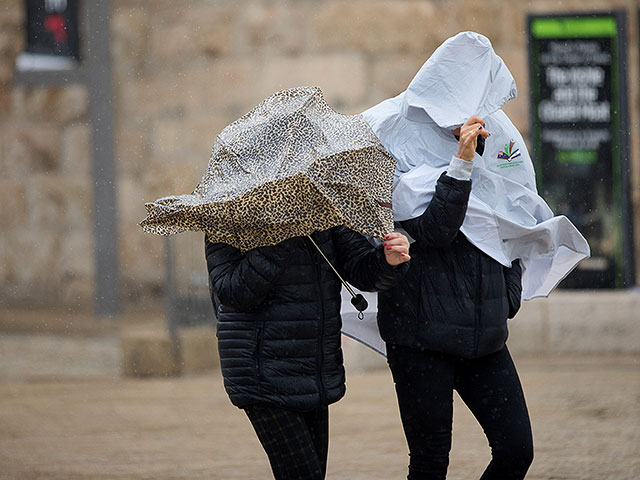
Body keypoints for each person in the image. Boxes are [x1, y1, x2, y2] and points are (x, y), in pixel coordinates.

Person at [362, 32, 538, 479]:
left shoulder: (497, 133)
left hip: (483, 335)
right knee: (429, 461)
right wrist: (460, 162)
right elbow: (432, 230)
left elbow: (517, 216)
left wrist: (507, 294)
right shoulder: (390, 129)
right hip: (420, 333)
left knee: (517, 450)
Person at [205, 228, 410, 480]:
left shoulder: (318, 212)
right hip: (261, 370)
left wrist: (386, 260)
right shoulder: (229, 216)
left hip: (314, 368)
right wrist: (279, 238)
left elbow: (360, 268)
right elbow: (232, 292)